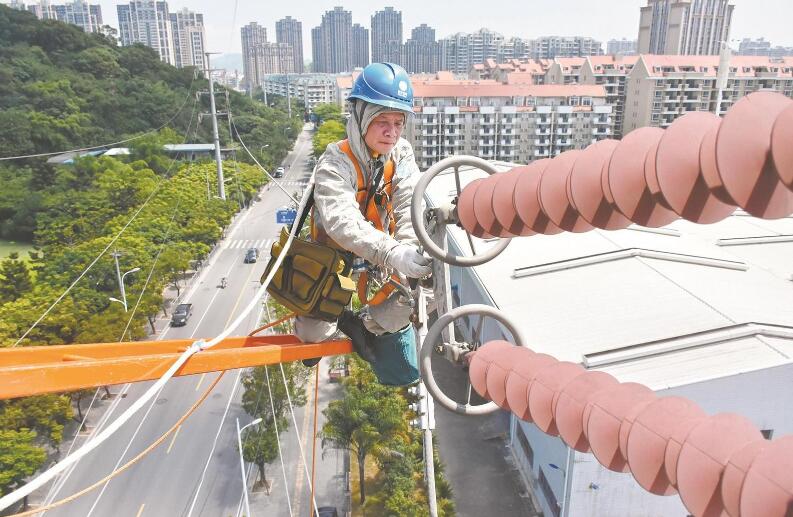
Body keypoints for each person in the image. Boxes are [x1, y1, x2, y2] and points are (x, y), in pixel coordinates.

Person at [296, 62, 431, 385]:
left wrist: (407, 251)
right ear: (360, 117)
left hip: (377, 260)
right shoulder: (335, 162)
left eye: (399, 122)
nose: (392, 132)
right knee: (312, 343)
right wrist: (391, 253)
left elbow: (409, 202)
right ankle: (338, 317)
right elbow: (342, 222)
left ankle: (364, 325)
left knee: (400, 310)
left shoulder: (401, 154)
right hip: (333, 260)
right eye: (382, 121)